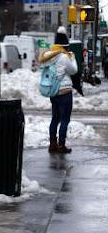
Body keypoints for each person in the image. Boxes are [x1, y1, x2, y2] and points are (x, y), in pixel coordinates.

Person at [39, 26, 78, 154]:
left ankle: (52, 144)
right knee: (65, 119)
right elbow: (74, 70)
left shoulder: (49, 55)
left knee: (55, 118)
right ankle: (61, 145)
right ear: (65, 45)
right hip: (65, 92)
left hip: (54, 91)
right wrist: (73, 58)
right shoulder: (64, 57)